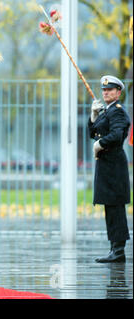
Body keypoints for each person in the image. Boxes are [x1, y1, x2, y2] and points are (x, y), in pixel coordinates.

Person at [88, 75, 131, 263]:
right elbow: (93, 133)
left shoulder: (118, 112)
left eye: (110, 90)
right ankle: (115, 248)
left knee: (116, 208)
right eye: (104, 90)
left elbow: (116, 134)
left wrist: (101, 144)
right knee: (110, 207)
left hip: (114, 165)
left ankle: (119, 249)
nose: (106, 93)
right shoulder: (108, 111)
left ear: (118, 92)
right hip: (107, 165)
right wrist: (93, 116)